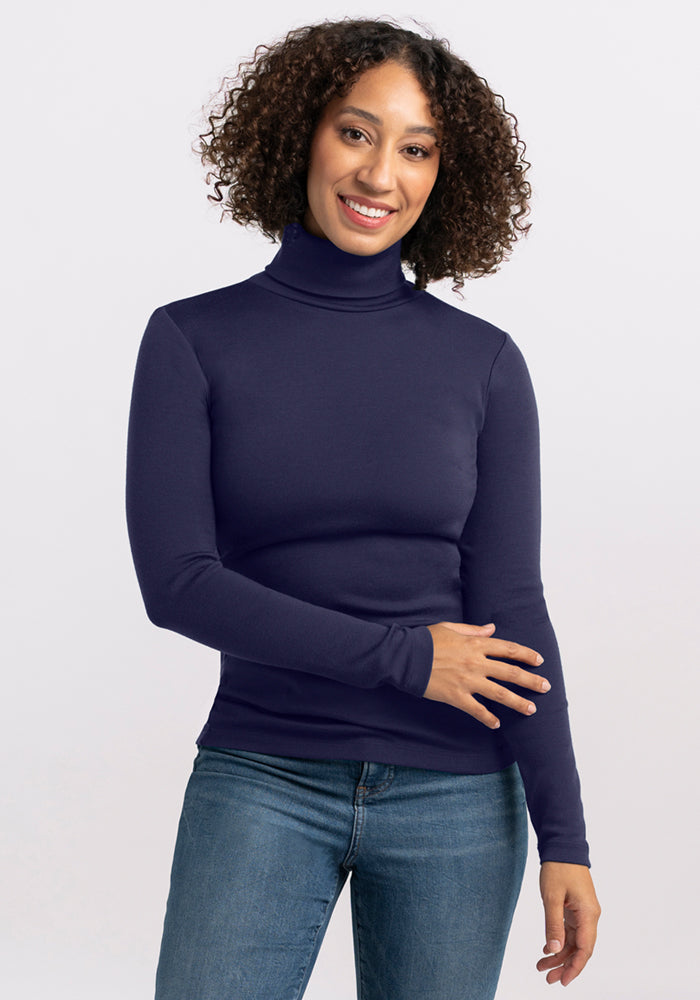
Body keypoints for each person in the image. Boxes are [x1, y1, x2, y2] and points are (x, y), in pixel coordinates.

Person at [125, 16, 601, 1000]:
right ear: (299, 134)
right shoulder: (191, 341)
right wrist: (407, 657)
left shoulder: (482, 363)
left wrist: (566, 836)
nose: (381, 174)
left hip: (459, 795)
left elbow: (512, 603)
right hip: (264, 773)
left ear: (443, 175)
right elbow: (178, 584)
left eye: (417, 149)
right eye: (356, 132)